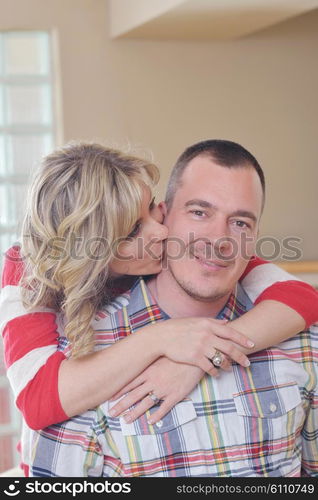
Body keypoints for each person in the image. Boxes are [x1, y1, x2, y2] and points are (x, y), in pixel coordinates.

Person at [29, 139, 318, 477]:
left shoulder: (300, 339)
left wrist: (209, 353)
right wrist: (162, 341)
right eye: (199, 212)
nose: (219, 239)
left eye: (240, 222)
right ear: (167, 214)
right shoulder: (82, 360)